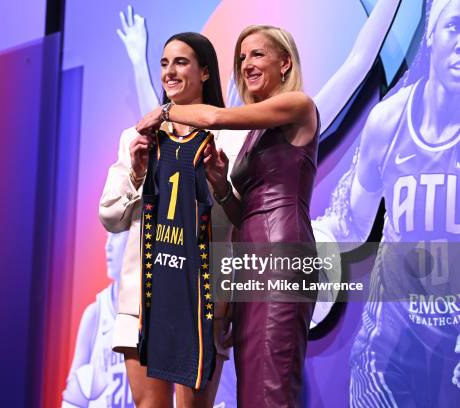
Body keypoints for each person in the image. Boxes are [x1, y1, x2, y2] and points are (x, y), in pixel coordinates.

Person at [136, 25, 319, 407]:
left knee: (272, 384)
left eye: (257, 54)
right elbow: (243, 211)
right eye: (241, 58)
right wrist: (220, 185)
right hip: (250, 263)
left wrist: (166, 110)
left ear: (285, 62)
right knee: (251, 387)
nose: (246, 64)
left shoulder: (298, 104)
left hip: (281, 255)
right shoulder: (256, 134)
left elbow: (216, 118)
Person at [312, 0, 460, 405]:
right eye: (455, 27)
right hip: (388, 354)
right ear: (430, 32)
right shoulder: (390, 120)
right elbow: (348, 224)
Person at [100, 31, 243, 407]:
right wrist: (135, 174)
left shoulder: (231, 138)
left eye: (181, 62)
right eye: (164, 63)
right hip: (143, 302)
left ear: (206, 73)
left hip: (203, 303)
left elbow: (243, 225)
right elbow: (110, 217)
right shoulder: (139, 136)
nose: (169, 72)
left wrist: (221, 184)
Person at [62, 232, 132, 407]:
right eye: (107, 237)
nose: (107, 246)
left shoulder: (164, 314)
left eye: (115, 236)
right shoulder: (96, 315)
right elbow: (72, 399)